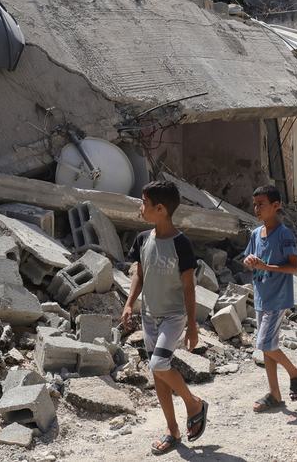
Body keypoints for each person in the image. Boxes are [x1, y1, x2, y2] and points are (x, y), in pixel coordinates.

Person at [121, 181, 208, 455]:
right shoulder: (142, 240)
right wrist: (129, 303)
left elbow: (188, 286)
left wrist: (192, 325)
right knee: (158, 375)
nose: (140, 207)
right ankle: (172, 430)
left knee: (159, 364)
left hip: (173, 316)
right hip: (149, 316)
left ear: (160, 209)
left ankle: (194, 404)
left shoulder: (181, 244)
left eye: (144, 203)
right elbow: (139, 274)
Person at [243, 185, 297, 412]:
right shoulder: (255, 234)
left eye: (261, 204)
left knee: (263, 343)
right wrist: (250, 262)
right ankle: (274, 394)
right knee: (267, 347)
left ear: (276, 206)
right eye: (255, 204)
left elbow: (294, 267)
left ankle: (296, 373)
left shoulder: (284, 235)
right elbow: (248, 258)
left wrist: (266, 265)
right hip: (261, 296)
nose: (257, 209)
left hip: (278, 298)